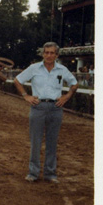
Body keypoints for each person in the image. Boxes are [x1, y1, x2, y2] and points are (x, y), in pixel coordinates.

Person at [14, 43, 79, 183]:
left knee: (52, 142)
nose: (49, 55)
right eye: (46, 52)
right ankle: (33, 173)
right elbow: (17, 80)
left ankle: (50, 173)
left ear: (56, 55)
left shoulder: (62, 69)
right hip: (38, 107)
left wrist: (66, 97)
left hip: (56, 108)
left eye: (52, 53)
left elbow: (74, 83)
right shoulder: (34, 68)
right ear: (43, 54)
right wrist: (26, 96)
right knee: (35, 142)